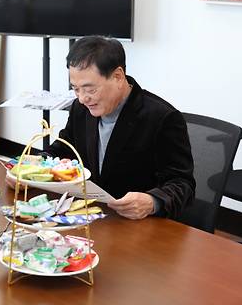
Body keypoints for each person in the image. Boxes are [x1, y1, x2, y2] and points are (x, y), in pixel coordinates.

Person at [43, 36, 195, 219]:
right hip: (92, 215)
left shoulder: (162, 118)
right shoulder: (80, 109)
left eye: (90, 90)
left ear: (118, 76)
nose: (83, 98)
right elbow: (63, 150)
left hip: (139, 225)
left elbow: (182, 184)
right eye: (76, 89)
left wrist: (152, 202)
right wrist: (27, 167)